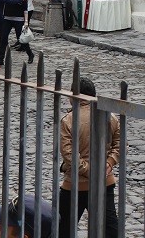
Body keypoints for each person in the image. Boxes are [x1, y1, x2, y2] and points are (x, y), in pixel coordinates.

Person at [59, 77, 120, 238]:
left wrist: (88, 171)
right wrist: (109, 162)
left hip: (75, 184)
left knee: (61, 229)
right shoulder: (109, 116)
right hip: (103, 182)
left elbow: (69, 154)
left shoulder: (68, 120)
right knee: (110, 230)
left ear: (74, 96)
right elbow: (121, 144)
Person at [0, 0, 34, 64]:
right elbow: (7, 2)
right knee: (3, 38)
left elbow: (25, 9)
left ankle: (30, 54)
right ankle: (1, 58)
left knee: (21, 39)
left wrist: (26, 21)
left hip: (19, 19)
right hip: (7, 19)